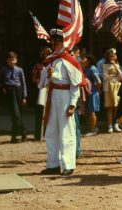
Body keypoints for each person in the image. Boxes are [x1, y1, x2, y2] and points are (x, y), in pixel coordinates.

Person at [38, 29, 85, 175]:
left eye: (57, 41)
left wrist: (72, 104)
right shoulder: (51, 60)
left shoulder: (69, 60)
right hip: (53, 97)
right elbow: (42, 83)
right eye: (53, 42)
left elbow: (75, 84)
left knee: (66, 131)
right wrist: (49, 76)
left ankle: (68, 164)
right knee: (51, 131)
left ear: (63, 42)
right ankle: (53, 164)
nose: (54, 44)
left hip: (65, 96)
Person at [0, 51, 28, 143]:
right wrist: (2, 88)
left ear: (16, 60)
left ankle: (14, 136)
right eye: (10, 60)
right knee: (14, 114)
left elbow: (23, 83)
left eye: (13, 60)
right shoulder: (3, 69)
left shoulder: (19, 70)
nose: (12, 62)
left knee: (17, 115)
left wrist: (24, 96)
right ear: (7, 61)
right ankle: (23, 132)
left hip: (18, 91)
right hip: (9, 93)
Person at [32, 46, 52, 141]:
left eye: (46, 54)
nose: (45, 56)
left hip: (51, 90)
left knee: (50, 112)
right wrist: (41, 81)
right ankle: (38, 134)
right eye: (43, 54)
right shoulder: (38, 66)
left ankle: (49, 133)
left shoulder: (53, 64)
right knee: (40, 111)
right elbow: (33, 78)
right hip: (42, 90)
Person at [103, 48, 122, 133]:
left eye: (113, 56)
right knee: (110, 107)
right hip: (108, 87)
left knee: (117, 106)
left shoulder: (118, 65)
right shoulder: (105, 65)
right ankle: (110, 125)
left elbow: (121, 76)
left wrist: (115, 66)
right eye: (110, 56)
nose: (112, 57)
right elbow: (105, 77)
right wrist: (115, 78)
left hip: (117, 87)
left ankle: (116, 124)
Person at [80, 54, 101, 136]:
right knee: (88, 111)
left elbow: (98, 81)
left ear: (88, 60)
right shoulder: (86, 68)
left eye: (84, 58)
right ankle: (91, 128)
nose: (82, 59)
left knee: (92, 111)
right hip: (87, 92)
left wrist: (98, 91)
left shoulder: (92, 68)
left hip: (93, 92)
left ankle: (93, 130)